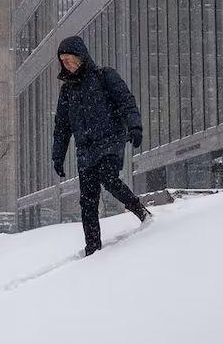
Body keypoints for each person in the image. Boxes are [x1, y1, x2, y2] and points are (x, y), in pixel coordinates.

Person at [52, 35, 150, 257]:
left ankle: (139, 210)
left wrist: (135, 127)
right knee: (87, 200)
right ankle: (92, 249)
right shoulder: (67, 91)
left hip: (110, 140)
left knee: (108, 178)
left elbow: (126, 100)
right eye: (63, 61)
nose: (67, 65)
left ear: (81, 57)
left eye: (70, 60)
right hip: (85, 149)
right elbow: (61, 127)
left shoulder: (104, 76)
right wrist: (57, 156)